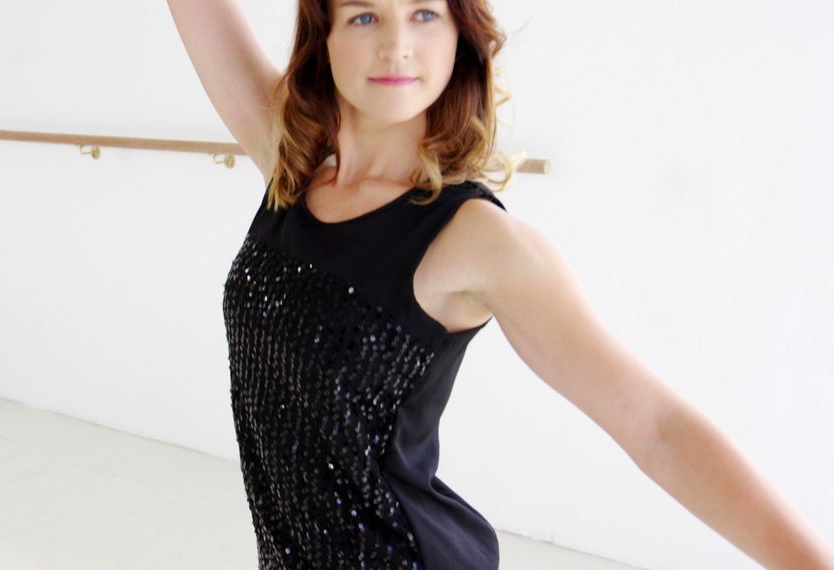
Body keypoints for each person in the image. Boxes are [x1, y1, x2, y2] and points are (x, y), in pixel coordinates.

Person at [166, 1, 834, 568]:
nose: (396, 43)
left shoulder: (478, 241)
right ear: (326, 38)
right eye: (365, 14)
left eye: (425, 13)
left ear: (460, 36)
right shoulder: (292, 167)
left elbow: (656, 427)